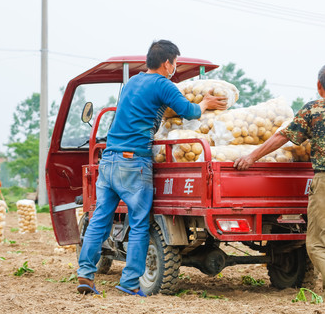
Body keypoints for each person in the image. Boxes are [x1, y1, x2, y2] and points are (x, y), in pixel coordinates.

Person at [76, 40, 227, 296]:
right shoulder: (162, 84)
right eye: (175, 63)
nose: (175, 68)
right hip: (134, 162)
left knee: (100, 220)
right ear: (167, 63)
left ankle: (85, 275)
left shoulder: (134, 81)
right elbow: (189, 111)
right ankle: (129, 283)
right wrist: (205, 104)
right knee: (138, 223)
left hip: (109, 159)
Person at [234, 63, 325, 303]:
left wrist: (251, 156)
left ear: (319, 86)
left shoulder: (313, 109)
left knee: (318, 244)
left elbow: (282, 137)